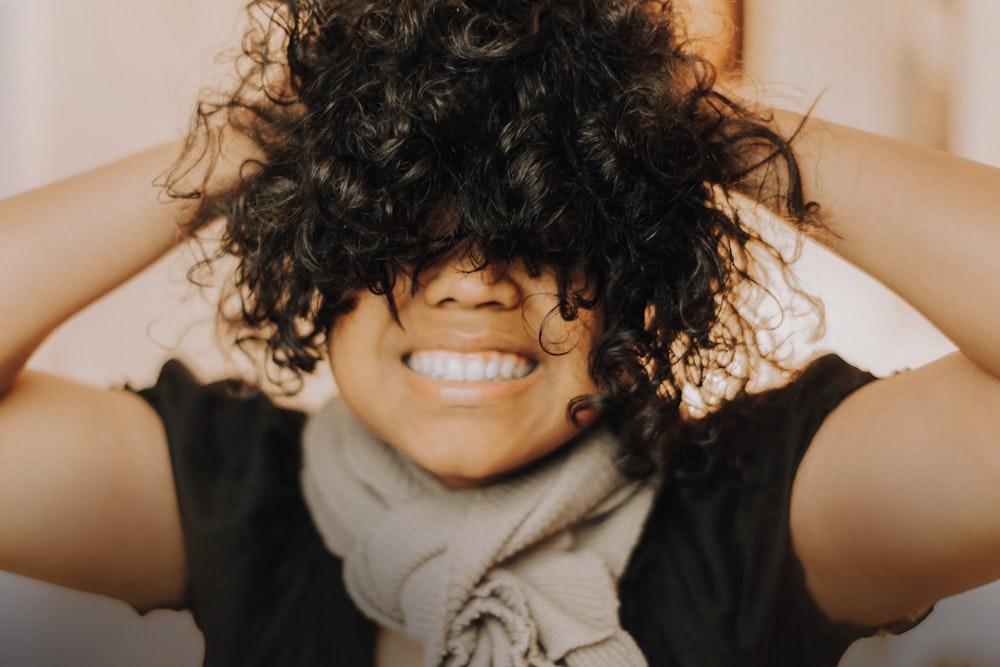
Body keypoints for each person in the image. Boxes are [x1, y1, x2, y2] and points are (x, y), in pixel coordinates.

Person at [1, 0, 998, 665]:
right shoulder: (238, 494)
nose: (473, 282)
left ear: (633, 279)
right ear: (316, 264)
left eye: (538, 233)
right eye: (395, 227)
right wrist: (268, 131)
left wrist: (687, 115)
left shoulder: (756, 508)